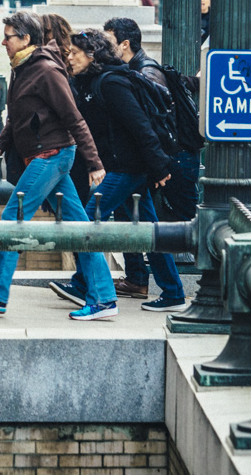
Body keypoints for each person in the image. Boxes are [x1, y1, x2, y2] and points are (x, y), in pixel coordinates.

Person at [0, 11, 118, 320]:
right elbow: (16, 117)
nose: (3, 42)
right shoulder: (20, 68)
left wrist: (94, 162)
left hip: (53, 154)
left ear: (26, 40)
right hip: (45, 154)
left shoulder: (45, 70)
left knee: (13, 216)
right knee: (79, 228)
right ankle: (105, 298)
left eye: (8, 37)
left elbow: (74, 118)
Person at [50, 30, 185, 312]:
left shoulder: (112, 83)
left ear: (92, 55)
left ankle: (85, 285)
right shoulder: (91, 82)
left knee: (84, 221)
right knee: (148, 230)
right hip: (123, 166)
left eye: (74, 53)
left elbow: (139, 126)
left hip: (128, 167)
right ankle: (172, 292)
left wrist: (158, 165)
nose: (69, 57)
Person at [103, 17, 203, 292]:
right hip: (162, 159)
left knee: (176, 226)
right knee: (135, 218)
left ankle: (179, 287)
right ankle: (142, 279)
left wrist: (157, 165)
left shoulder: (144, 73)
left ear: (124, 45)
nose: (102, 46)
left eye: (108, 41)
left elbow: (153, 126)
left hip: (174, 159)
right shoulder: (136, 69)